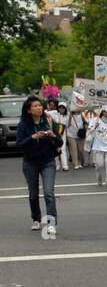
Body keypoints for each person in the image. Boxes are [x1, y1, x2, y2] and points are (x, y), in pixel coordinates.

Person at [16, 96, 61, 237]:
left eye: (40, 105)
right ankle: (36, 218)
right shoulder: (24, 124)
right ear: (29, 110)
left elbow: (60, 142)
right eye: (35, 106)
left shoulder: (48, 121)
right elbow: (19, 144)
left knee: (49, 192)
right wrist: (33, 137)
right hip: (30, 162)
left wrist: (53, 136)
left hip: (48, 161)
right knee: (33, 193)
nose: (39, 108)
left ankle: (51, 223)